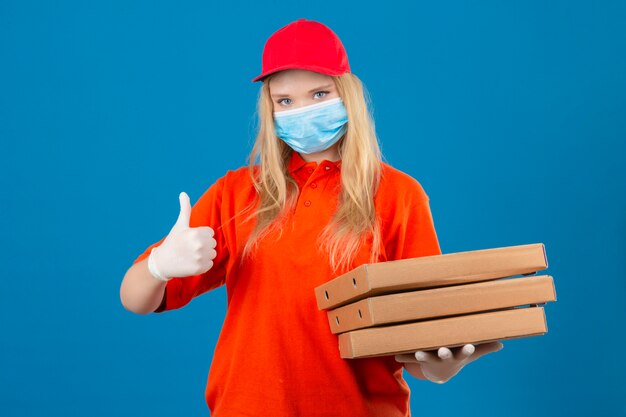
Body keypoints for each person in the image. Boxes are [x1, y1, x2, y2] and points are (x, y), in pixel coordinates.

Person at [120, 18, 503, 417]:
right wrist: (160, 265)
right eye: (285, 101)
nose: (302, 111)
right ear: (269, 108)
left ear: (348, 95)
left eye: (319, 93)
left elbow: (418, 350)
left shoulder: (398, 196)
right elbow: (134, 298)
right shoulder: (238, 194)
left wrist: (440, 363)